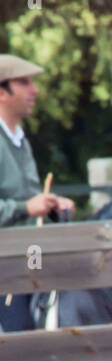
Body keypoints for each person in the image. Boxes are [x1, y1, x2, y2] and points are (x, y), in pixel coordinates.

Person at [0, 54, 74, 332]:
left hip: (28, 264)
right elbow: (24, 206)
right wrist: (27, 208)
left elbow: (29, 198)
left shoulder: (20, 141)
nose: (35, 90)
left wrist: (51, 204)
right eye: (24, 82)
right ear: (2, 91)